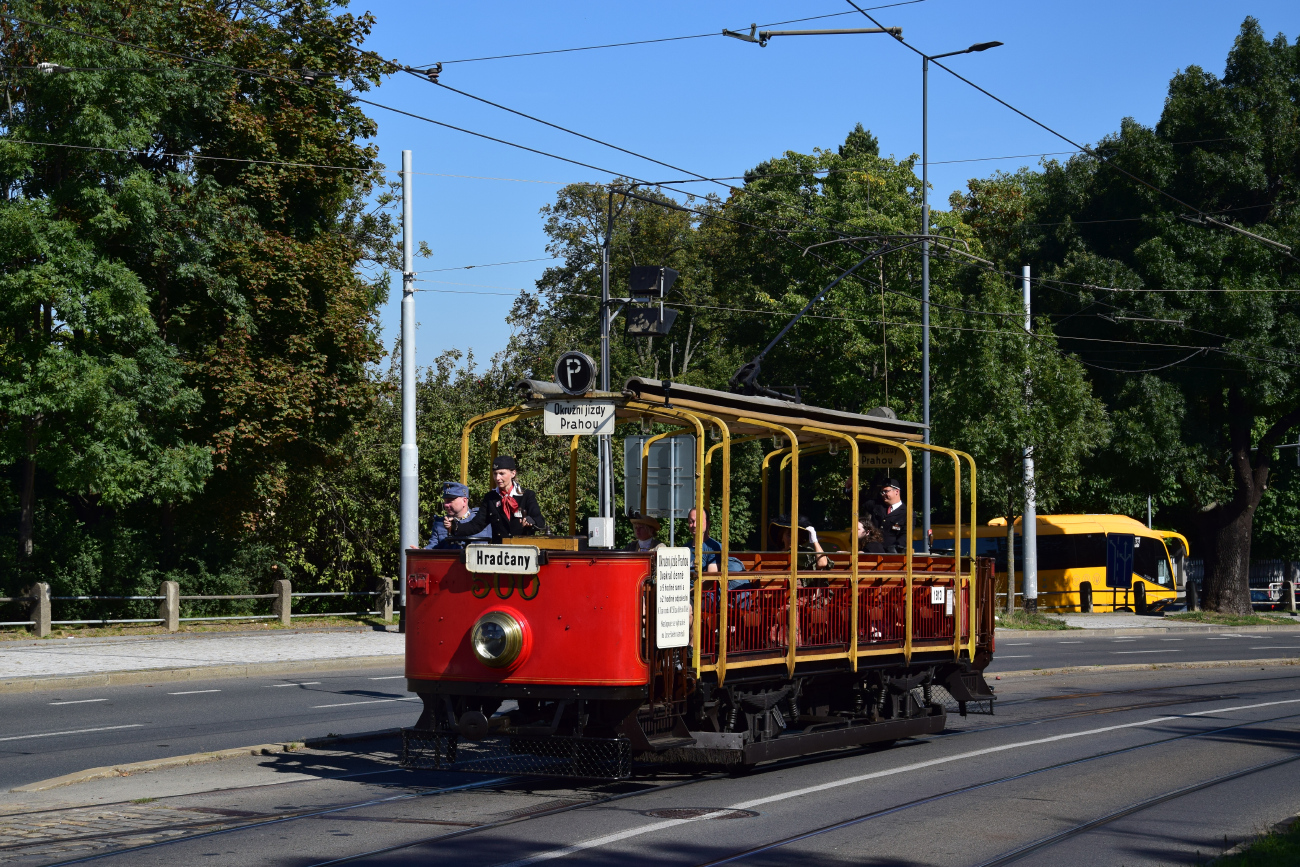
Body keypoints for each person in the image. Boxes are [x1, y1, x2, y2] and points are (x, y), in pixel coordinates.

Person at [451, 455, 547, 544]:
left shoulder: (527, 495)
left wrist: (532, 521)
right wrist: (455, 527)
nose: (497, 478)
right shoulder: (490, 498)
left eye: (502, 474)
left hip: (523, 552)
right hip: (499, 554)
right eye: (495, 474)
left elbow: (540, 521)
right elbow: (477, 525)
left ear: (513, 473)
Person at [424, 481, 492, 549]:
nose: (446, 505)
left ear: (464, 501)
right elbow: (432, 548)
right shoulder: (440, 523)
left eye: (450, 501)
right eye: (445, 501)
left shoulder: (482, 520)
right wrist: (422, 553)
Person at [868, 478, 908, 553]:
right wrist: (849, 489)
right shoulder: (877, 505)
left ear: (896, 492)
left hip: (892, 555)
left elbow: (905, 535)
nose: (883, 494)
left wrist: (896, 548)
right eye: (882, 492)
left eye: (886, 491)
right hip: (873, 552)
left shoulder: (907, 513)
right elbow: (860, 501)